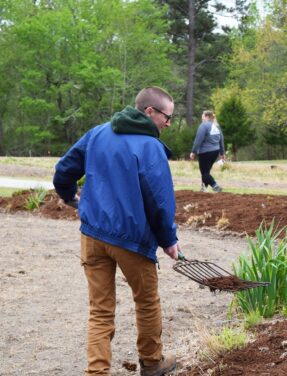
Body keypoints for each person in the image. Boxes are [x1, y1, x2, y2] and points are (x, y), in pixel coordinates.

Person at [53, 87, 180, 376]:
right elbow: (159, 201)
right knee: (146, 301)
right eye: (167, 117)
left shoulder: (98, 133)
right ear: (149, 112)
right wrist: (169, 241)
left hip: (93, 235)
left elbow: (63, 171)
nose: (169, 123)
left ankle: (97, 373)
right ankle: (151, 363)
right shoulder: (150, 148)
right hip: (131, 240)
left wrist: (70, 195)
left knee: (100, 309)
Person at [189, 110, 225, 192]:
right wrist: (222, 153)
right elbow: (221, 140)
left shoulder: (204, 126)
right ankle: (203, 188)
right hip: (215, 152)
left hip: (205, 152)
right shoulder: (216, 126)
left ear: (206, 116)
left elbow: (198, 140)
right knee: (206, 171)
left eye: (202, 116)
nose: (202, 118)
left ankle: (215, 185)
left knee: (204, 173)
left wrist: (193, 151)